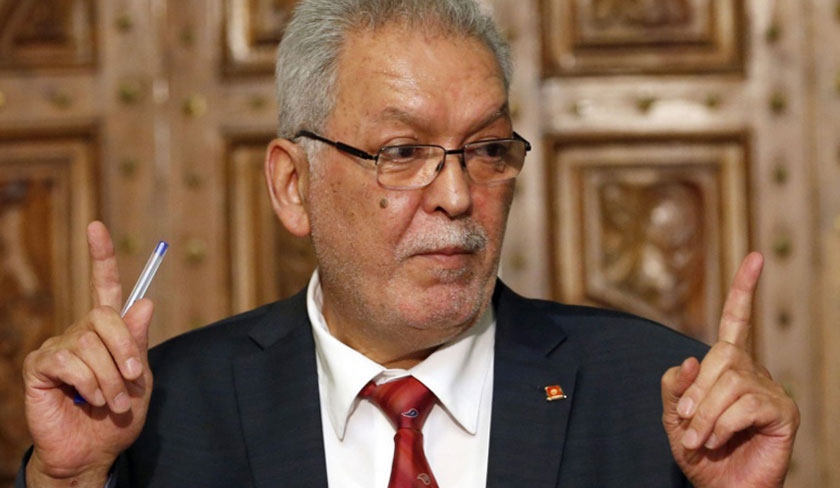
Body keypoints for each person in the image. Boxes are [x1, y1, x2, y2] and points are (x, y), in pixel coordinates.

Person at [17, 0, 799, 486]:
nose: (457, 195)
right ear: (293, 185)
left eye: (486, 150)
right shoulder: (165, 415)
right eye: (403, 152)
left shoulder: (659, 402)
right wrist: (71, 481)